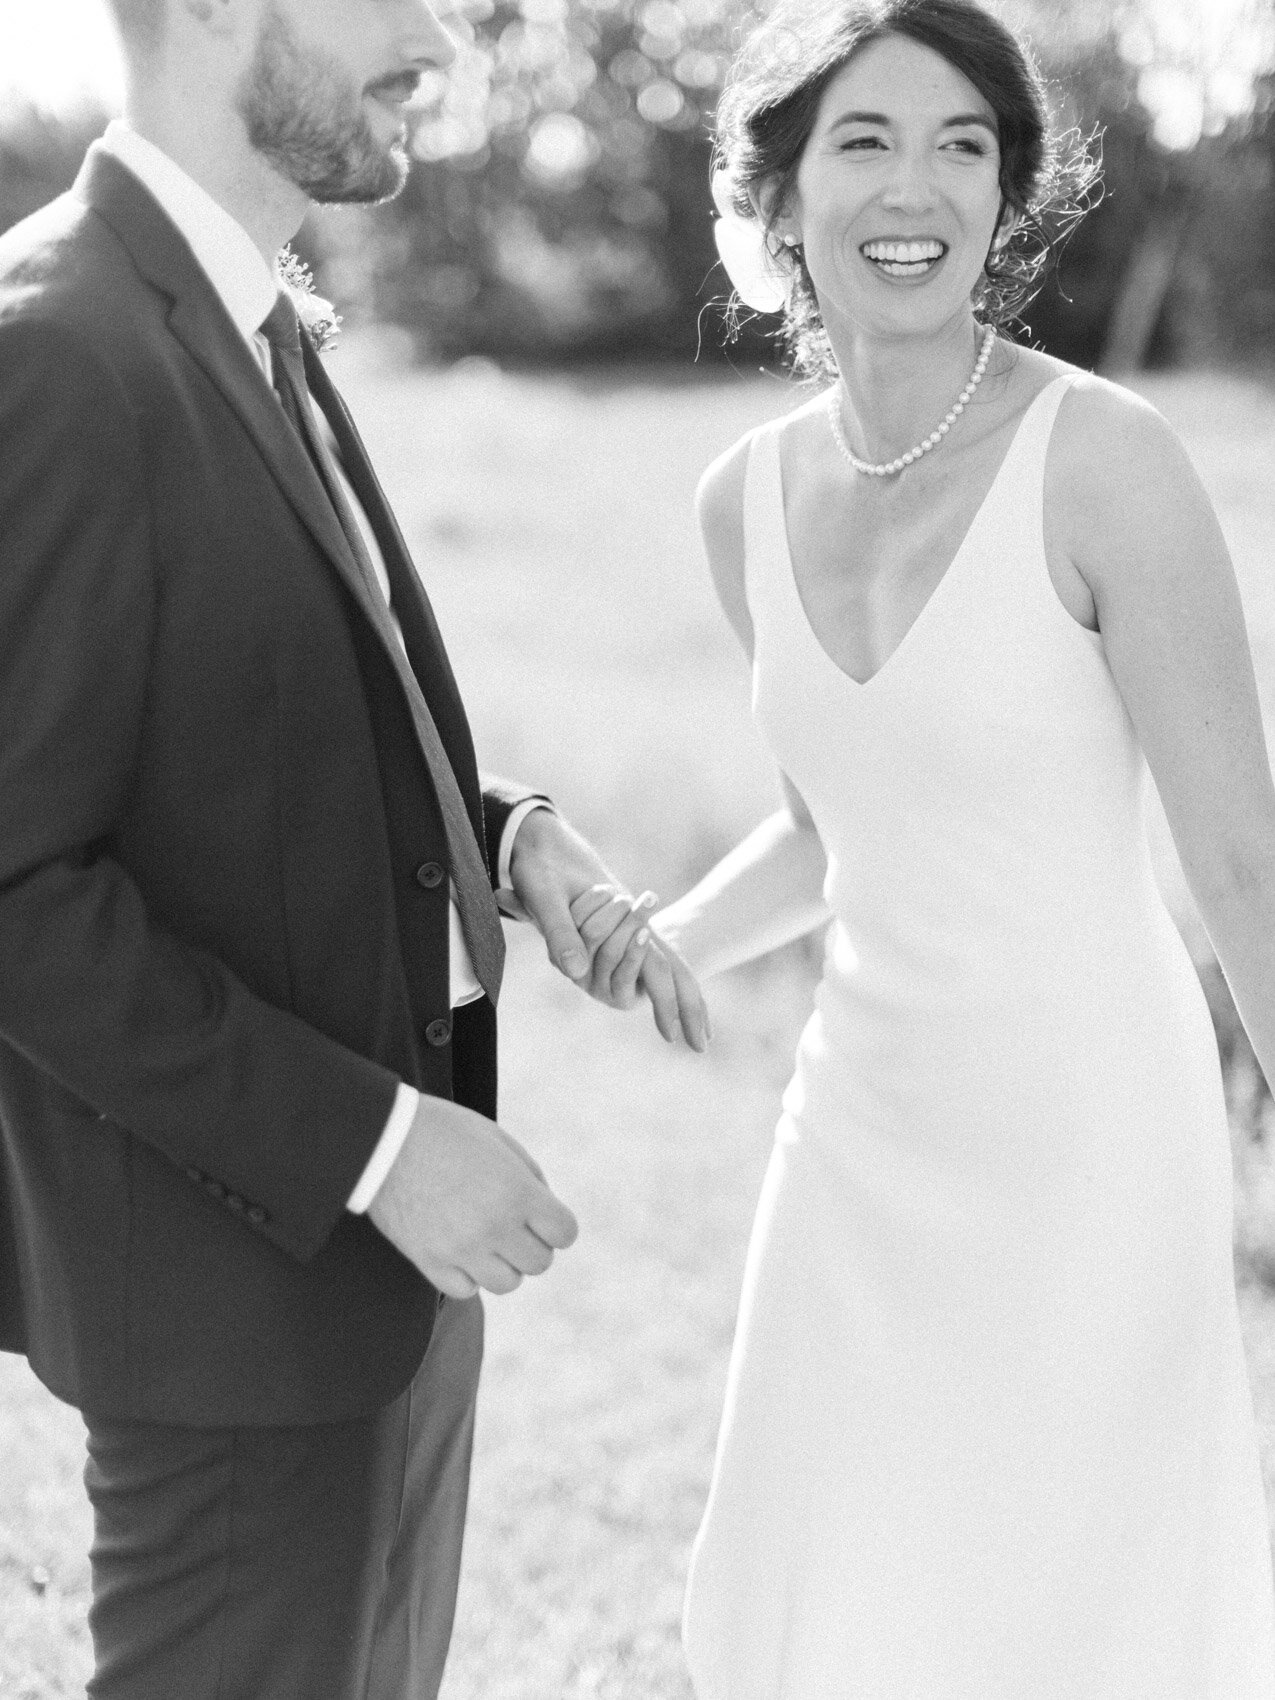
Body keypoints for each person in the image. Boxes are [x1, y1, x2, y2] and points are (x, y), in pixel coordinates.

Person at [0, 0, 706, 1695]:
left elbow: (259, 734)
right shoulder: (53, 349)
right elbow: (17, 891)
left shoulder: (254, 318)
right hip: (238, 1310)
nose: (444, 41)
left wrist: (507, 838)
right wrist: (381, 1151)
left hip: (383, 1293)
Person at [652, 0, 1275, 1693]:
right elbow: (826, 822)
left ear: (1008, 201)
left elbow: (1242, 867)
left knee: (1067, 1601)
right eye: (863, 140)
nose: (913, 184)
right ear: (778, 199)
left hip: (1093, 1140)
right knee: (820, 1577)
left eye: (962, 146)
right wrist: (669, 943)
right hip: (855, 1132)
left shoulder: (1108, 465)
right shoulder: (744, 500)